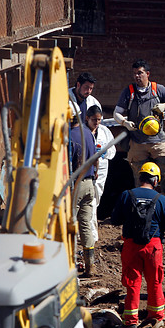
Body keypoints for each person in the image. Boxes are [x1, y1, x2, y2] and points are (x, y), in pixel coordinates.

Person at [111, 162, 165, 328]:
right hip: (153, 246)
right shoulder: (160, 199)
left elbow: (115, 219)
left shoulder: (127, 195)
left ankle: (131, 322)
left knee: (132, 283)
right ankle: (155, 318)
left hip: (131, 246)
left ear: (140, 177)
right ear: (156, 180)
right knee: (155, 281)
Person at [114, 59, 165, 202]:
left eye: (140, 73)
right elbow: (116, 113)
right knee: (140, 178)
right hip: (137, 143)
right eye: (134, 74)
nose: (137, 76)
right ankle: (142, 205)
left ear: (147, 74)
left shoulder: (158, 89)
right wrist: (125, 122)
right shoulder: (129, 92)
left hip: (158, 142)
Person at [70, 114, 98, 277]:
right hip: (89, 185)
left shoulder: (69, 137)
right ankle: (90, 266)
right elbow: (95, 158)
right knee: (86, 224)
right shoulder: (87, 132)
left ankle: (70, 263)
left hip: (77, 185)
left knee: (70, 224)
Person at [85, 105, 117, 243]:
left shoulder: (104, 131)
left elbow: (113, 151)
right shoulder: (82, 131)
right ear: (87, 119)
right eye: (94, 120)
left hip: (102, 169)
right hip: (86, 170)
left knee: (96, 198)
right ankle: (90, 234)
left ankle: (91, 232)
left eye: (99, 120)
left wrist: (105, 153)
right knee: (88, 200)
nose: (97, 123)